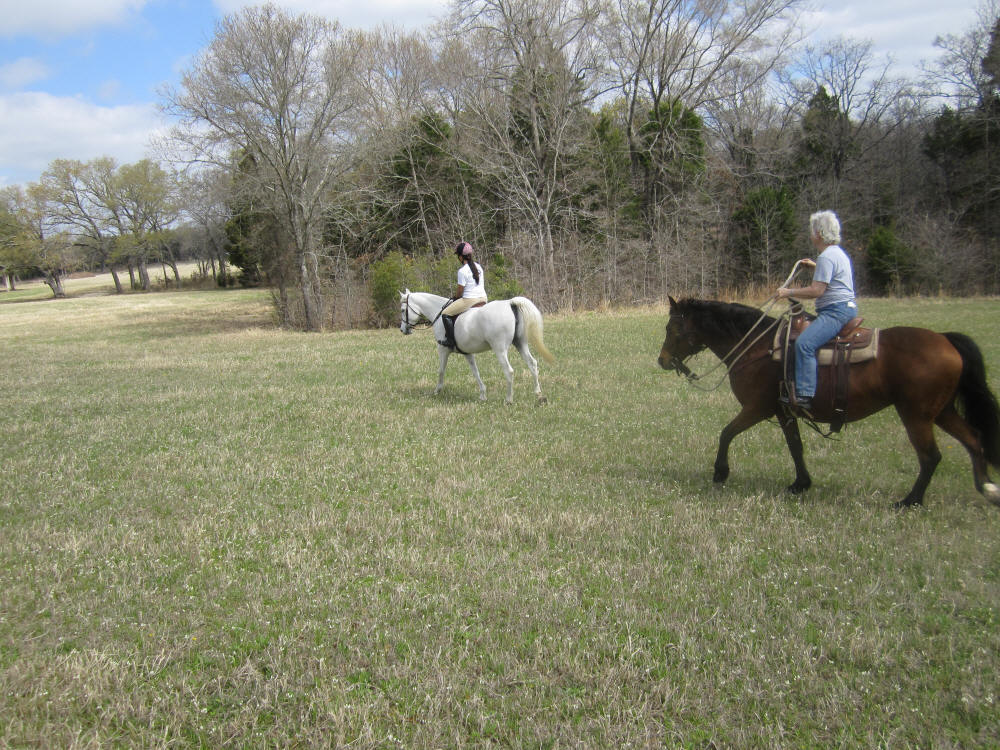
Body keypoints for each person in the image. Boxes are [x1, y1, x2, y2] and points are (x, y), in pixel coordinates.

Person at [776, 210, 858, 412]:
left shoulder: (827, 257)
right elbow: (830, 278)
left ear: (819, 233)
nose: (810, 234)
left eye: (812, 230)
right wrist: (814, 267)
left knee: (804, 344)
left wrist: (788, 292)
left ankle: (804, 395)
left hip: (835, 312)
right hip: (843, 309)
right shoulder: (836, 253)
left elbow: (816, 291)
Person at [440, 242, 487, 349]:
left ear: (461, 257)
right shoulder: (479, 267)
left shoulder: (462, 271)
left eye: (458, 256)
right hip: (483, 298)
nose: (458, 258)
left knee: (445, 313)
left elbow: (460, 291)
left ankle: (450, 341)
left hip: (470, 300)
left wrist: (456, 298)